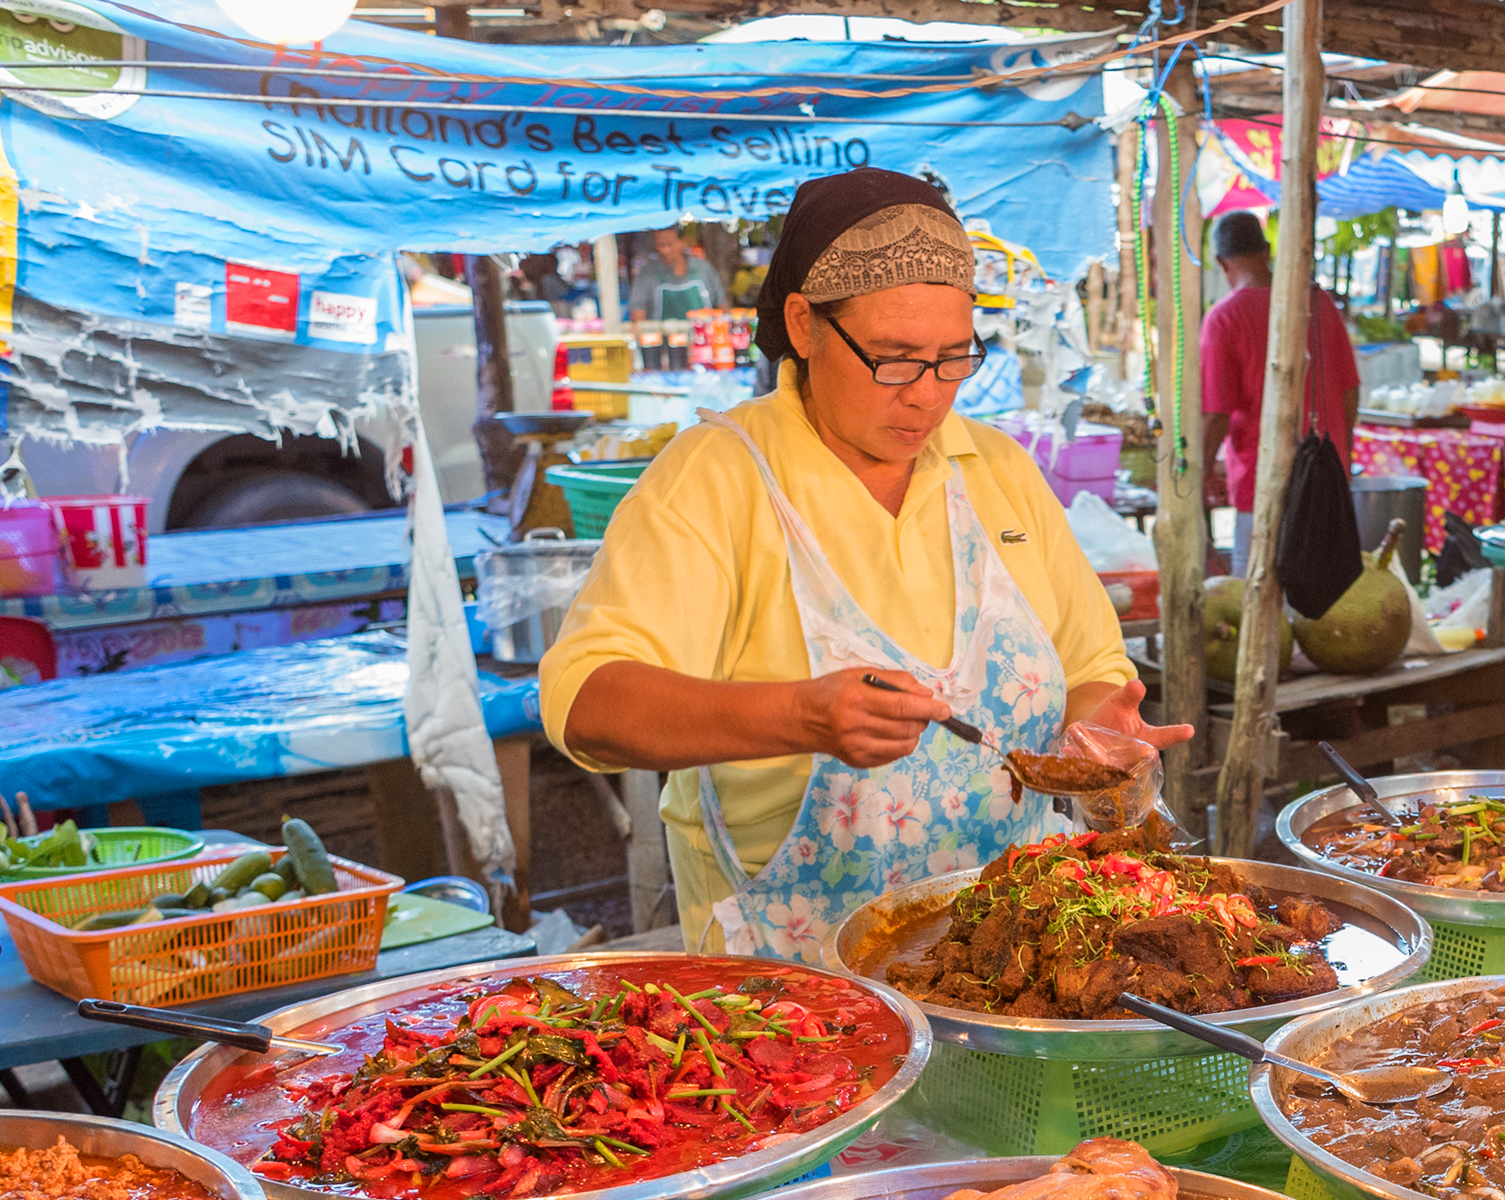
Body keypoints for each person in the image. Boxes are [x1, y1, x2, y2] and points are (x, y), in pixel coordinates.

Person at [537, 167, 1185, 960]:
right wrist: (801, 716)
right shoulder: (720, 478)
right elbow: (586, 703)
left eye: (954, 359)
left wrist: (1097, 730)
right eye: (895, 358)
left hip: (1011, 966)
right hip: (794, 1000)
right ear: (806, 326)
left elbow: (1090, 661)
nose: (928, 397)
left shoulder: (996, 471)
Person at [1197, 210, 1360, 563]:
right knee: (1318, 604)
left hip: (1264, 486)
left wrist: (1200, 475)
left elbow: (1216, 415)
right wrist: (1341, 457)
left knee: (1256, 595)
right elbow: (1350, 393)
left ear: (1222, 264)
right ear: (1267, 251)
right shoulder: (1321, 303)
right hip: (1326, 480)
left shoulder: (1223, 318)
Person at [627, 226, 721, 323]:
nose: (664, 251)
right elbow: (637, 315)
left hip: (702, 335)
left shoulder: (703, 268)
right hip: (662, 337)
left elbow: (722, 305)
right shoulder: (647, 273)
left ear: (682, 242)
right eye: (660, 245)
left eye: (669, 244)